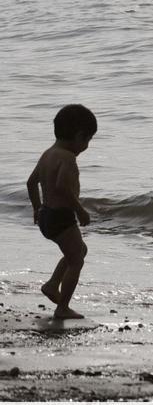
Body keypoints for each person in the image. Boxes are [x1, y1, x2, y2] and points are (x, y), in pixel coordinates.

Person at [27, 104, 98, 319]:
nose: (86, 146)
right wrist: (81, 210)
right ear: (79, 136)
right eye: (87, 140)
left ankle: (52, 285)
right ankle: (62, 307)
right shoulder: (68, 158)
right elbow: (62, 188)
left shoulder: (48, 154)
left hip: (47, 216)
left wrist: (37, 208)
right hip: (62, 217)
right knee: (77, 259)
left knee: (77, 251)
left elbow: (31, 183)